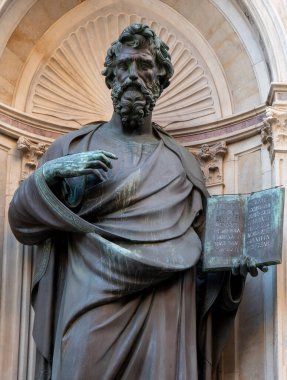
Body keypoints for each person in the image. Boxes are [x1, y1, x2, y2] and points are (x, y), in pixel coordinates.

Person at [9, 24, 258, 380]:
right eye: (124, 67)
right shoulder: (70, 150)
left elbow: (203, 260)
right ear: (110, 77)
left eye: (144, 66)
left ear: (161, 78)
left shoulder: (183, 165)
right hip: (89, 303)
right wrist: (49, 176)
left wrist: (231, 272)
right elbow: (22, 222)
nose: (133, 76)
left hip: (164, 309)